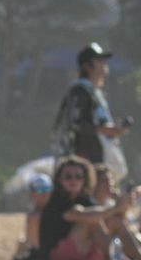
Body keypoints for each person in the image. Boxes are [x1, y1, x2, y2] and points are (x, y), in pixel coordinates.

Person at [39, 155, 141, 260]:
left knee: (114, 221)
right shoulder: (57, 201)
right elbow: (79, 215)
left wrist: (122, 204)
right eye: (68, 176)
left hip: (81, 251)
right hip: (56, 258)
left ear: (85, 179)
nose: (73, 180)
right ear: (60, 180)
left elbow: (113, 219)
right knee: (92, 222)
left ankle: (138, 258)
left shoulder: (84, 199)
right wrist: (116, 207)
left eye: (78, 176)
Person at [52, 43, 132, 180]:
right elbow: (75, 124)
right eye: (99, 60)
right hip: (84, 161)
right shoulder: (80, 90)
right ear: (87, 66)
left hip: (98, 158)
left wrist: (112, 129)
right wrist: (106, 129)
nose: (104, 64)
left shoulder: (94, 91)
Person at [12, 173, 52, 260]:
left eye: (47, 189)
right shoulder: (34, 213)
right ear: (32, 193)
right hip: (37, 254)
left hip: (45, 255)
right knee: (21, 241)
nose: (44, 193)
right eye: (39, 190)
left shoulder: (53, 210)